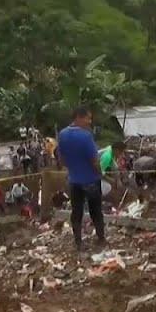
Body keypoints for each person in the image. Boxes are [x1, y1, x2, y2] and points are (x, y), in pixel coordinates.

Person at [57, 106, 105, 252]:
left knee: (76, 212)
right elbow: (95, 161)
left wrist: (74, 167)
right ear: (78, 117)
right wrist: (100, 173)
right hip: (90, 180)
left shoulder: (62, 134)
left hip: (74, 181)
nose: (89, 122)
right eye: (88, 118)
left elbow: (61, 159)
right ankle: (101, 238)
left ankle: (78, 241)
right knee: (95, 211)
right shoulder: (86, 136)